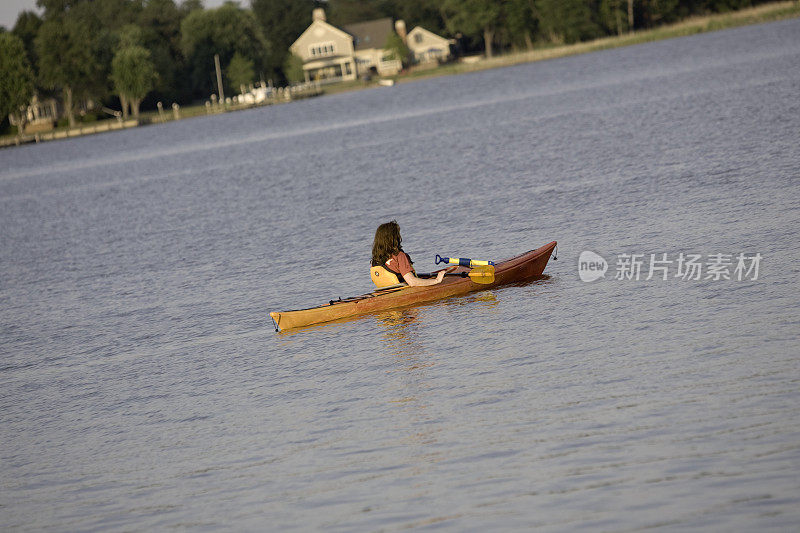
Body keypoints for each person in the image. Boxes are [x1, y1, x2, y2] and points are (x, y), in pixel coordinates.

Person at [371, 220, 449, 287]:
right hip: (402, 291)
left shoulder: (375, 260)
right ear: (394, 238)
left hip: (385, 291)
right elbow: (412, 282)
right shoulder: (399, 256)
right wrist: (437, 280)